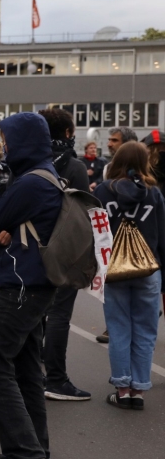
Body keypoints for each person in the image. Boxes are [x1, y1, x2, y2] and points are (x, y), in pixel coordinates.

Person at [0, 112, 61, 459]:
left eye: (6, 138)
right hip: (36, 283)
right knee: (27, 370)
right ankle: (33, 449)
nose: (4, 145)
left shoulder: (31, 184)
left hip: (23, 286)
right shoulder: (44, 175)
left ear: (22, 141)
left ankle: (26, 457)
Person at [94, 142, 165, 412]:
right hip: (149, 270)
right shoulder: (154, 194)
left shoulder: (103, 191)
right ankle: (139, 389)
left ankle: (122, 390)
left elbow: (95, 233)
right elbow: (163, 235)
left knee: (119, 328)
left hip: (114, 270)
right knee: (146, 332)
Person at [38, 107, 92, 401]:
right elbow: (82, 216)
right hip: (63, 251)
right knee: (59, 314)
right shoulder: (74, 167)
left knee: (36, 313)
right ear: (69, 133)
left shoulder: (31, 161)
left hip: (30, 248)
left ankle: (32, 374)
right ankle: (55, 379)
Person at [96, 126, 139, 344]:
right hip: (112, 240)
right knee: (114, 287)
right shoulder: (107, 168)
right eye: (109, 140)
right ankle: (113, 325)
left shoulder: (144, 171)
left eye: (114, 140)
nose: (110, 144)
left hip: (139, 239)